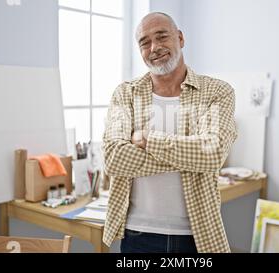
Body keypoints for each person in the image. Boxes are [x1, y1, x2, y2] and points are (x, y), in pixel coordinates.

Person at [102, 12, 238, 253]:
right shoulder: (125, 94)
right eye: (144, 42)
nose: (154, 47)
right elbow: (113, 159)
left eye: (162, 36)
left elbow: (213, 153)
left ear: (181, 38)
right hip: (138, 235)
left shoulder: (217, 91)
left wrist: (146, 139)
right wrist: (189, 156)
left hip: (198, 236)